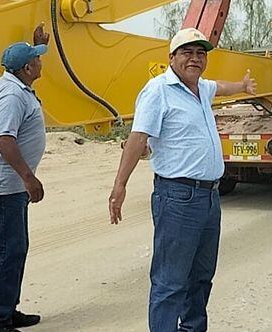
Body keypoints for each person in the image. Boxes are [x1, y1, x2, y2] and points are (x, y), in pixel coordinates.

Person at [109, 28, 256, 332]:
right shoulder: (158, 90)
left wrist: (242, 86)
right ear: (172, 58)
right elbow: (138, 139)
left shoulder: (201, 88)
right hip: (178, 198)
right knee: (170, 281)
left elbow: (222, 87)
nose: (195, 58)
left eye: (200, 53)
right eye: (187, 52)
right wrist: (120, 185)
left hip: (210, 197)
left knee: (201, 276)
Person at [0, 24, 50, 332]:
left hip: (10, 186)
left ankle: (7, 309)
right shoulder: (12, 96)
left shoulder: (17, 82)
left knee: (16, 248)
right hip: (4, 187)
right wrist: (29, 178)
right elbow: (4, 139)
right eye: (37, 58)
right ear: (28, 68)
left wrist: (37, 45)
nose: (41, 61)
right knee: (8, 251)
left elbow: (30, 60)